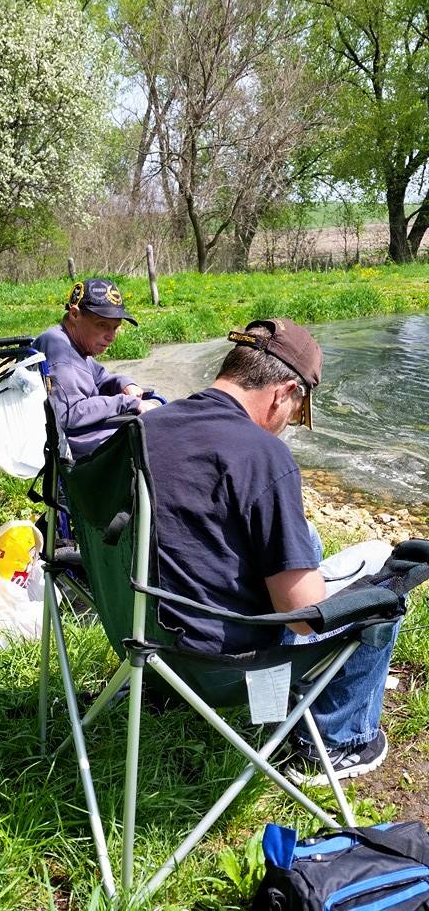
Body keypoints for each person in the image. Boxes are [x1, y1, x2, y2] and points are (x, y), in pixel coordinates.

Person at [141, 317, 397, 785]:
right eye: (299, 411)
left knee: (308, 542)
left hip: (148, 643)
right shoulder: (260, 455)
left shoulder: (144, 430)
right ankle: (339, 744)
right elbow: (302, 617)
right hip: (223, 664)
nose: (288, 426)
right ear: (284, 392)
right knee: (384, 573)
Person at [34, 278, 160, 457]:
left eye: (115, 328)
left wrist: (124, 384)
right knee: (163, 438)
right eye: (102, 325)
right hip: (82, 448)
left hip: (90, 434)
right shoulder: (61, 352)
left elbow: (99, 377)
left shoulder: (75, 344)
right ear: (75, 315)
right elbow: (70, 413)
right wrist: (128, 403)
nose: (111, 337)